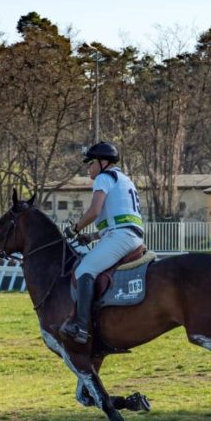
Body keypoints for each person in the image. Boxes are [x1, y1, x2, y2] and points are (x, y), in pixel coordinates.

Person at [60, 141, 145, 344]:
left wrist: (75, 228)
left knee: (84, 269)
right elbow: (119, 219)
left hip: (121, 237)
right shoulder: (125, 180)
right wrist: (91, 237)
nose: (88, 167)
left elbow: (94, 212)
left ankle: (81, 327)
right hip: (130, 236)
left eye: (91, 162)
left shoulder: (104, 178)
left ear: (103, 162)